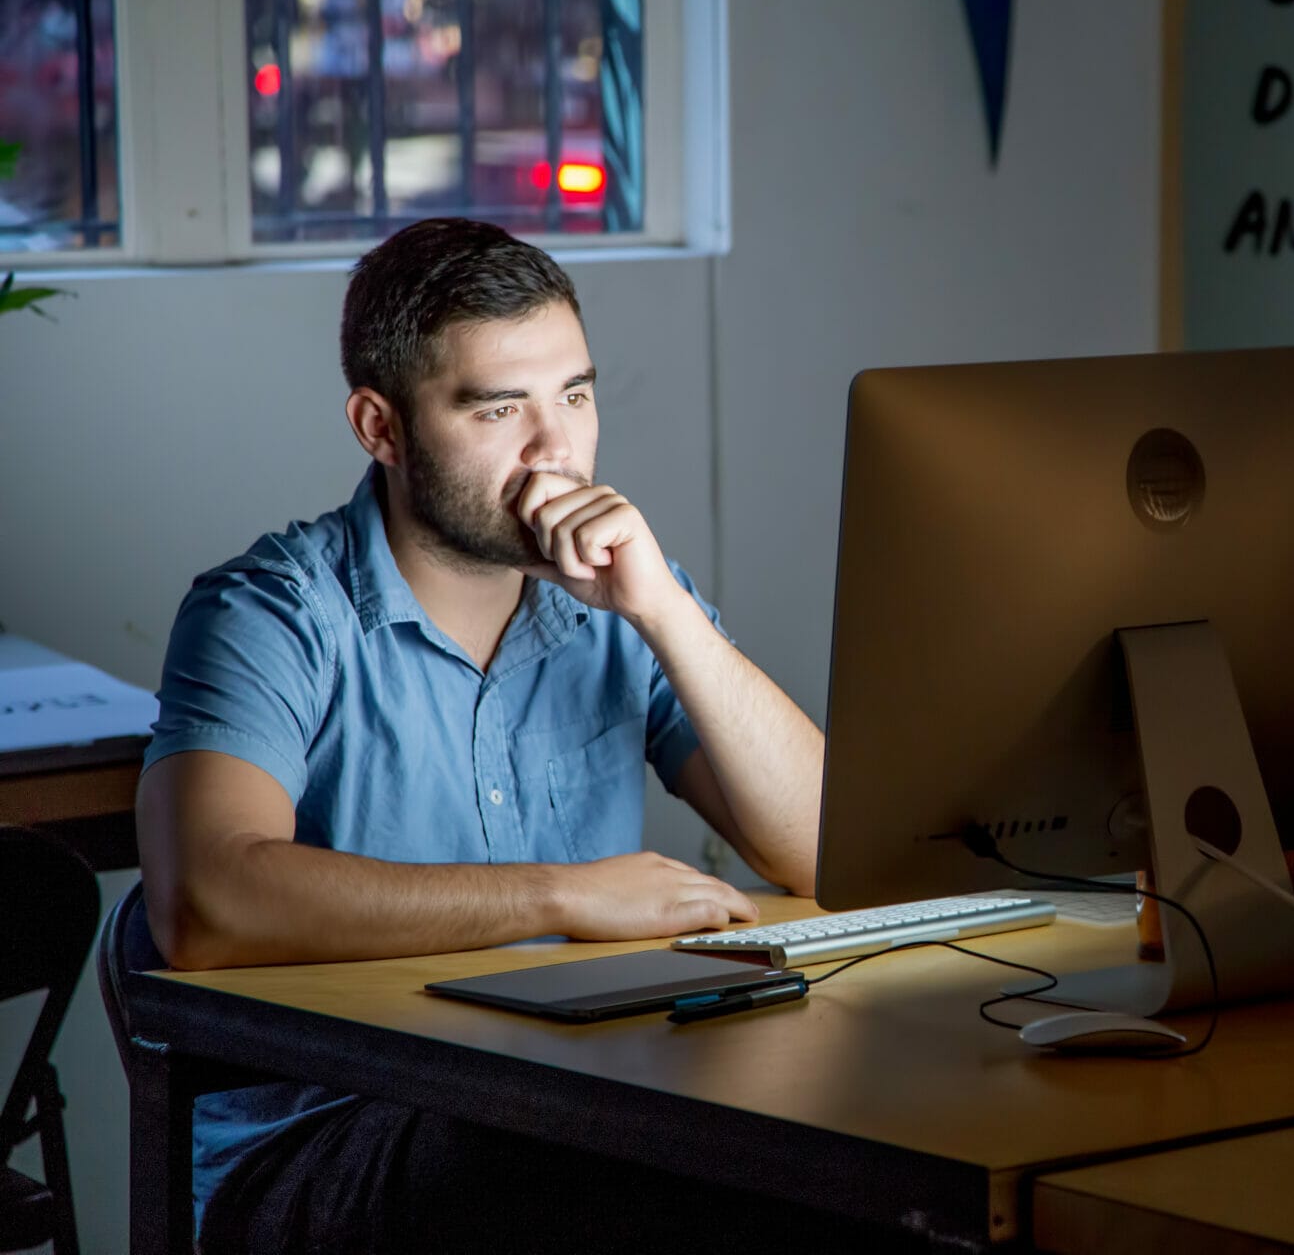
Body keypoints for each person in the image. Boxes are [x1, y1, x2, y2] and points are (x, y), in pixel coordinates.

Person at [136, 218, 829, 1253]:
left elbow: (829, 846)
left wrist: (667, 617)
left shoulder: (625, 602)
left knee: (842, 1145)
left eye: (577, 396)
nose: (558, 449)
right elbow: (205, 900)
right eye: (500, 408)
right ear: (380, 425)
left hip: (587, 1084)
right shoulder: (269, 612)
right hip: (327, 1135)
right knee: (658, 1159)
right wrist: (564, 895)